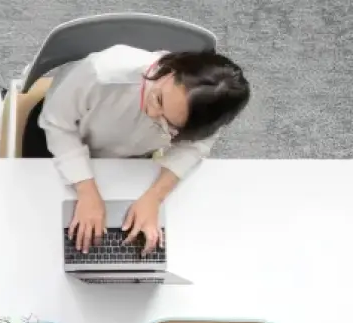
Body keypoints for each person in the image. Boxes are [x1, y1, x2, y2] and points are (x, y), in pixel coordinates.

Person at [33, 47, 251, 255]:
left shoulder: (207, 113)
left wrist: (153, 198)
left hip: (129, 161)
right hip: (61, 139)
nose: (153, 113)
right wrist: (86, 190)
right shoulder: (103, 73)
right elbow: (57, 124)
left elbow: (195, 146)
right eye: (158, 99)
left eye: (169, 124)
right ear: (170, 70)